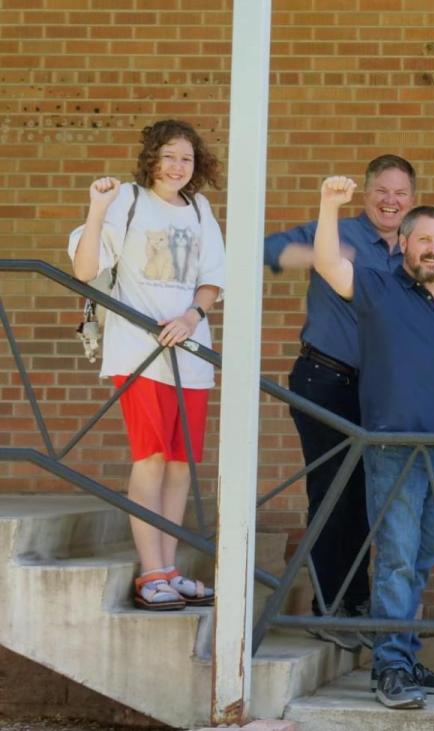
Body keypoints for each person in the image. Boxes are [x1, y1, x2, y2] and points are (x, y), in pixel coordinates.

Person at [310, 176, 434, 710]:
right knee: (397, 559)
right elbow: (327, 265)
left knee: (424, 556)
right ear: (404, 242)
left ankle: (405, 653)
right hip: (394, 448)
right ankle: (388, 668)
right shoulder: (379, 287)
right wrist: (328, 205)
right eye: (425, 239)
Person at [68, 119, 226, 613]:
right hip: (141, 354)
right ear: (152, 158)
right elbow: (85, 269)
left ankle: (170, 568)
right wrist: (96, 209)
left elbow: (212, 281)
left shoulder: (200, 209)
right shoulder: (127, 200)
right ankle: (150, 571)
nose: (179, 166)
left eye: (187, 158)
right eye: (170, 156)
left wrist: (191, 315)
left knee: (180, 464)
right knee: (151, 458)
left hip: (191, 353)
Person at [263, 154, 417, 647]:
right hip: (325, 380)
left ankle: (356, 603)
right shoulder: (336, 233)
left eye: (400, 193)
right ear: (366, 192)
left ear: (411, 200)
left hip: (378, 390)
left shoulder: (411, 251)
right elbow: (268, 251)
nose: (390, 201)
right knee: (332, 492)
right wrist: (324, 259)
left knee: (370, 498)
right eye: (382, 191)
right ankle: (329, 607)